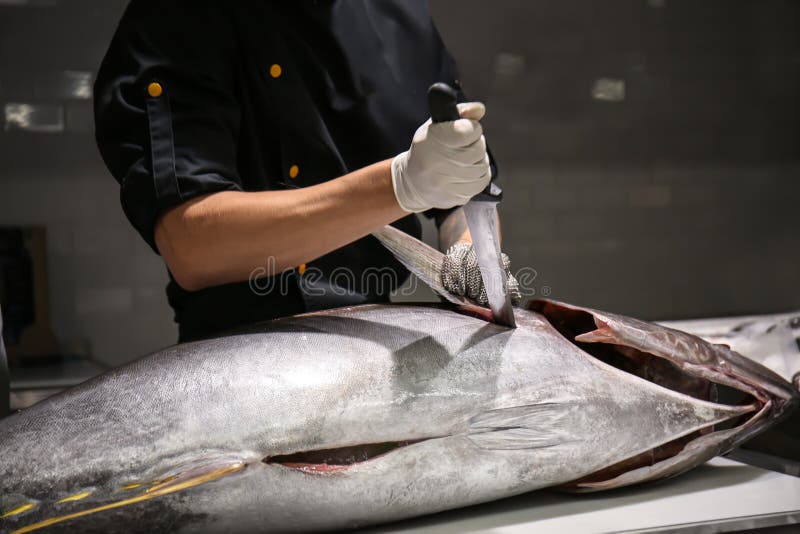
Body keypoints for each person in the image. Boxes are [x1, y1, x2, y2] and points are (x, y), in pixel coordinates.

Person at [94, 1, 518, 343]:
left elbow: (464, 185)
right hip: (235, 363)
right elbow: (192, 246)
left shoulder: (400, 16)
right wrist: (400, 185)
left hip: (384, 352)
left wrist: (469, 252)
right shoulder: (179, 16)